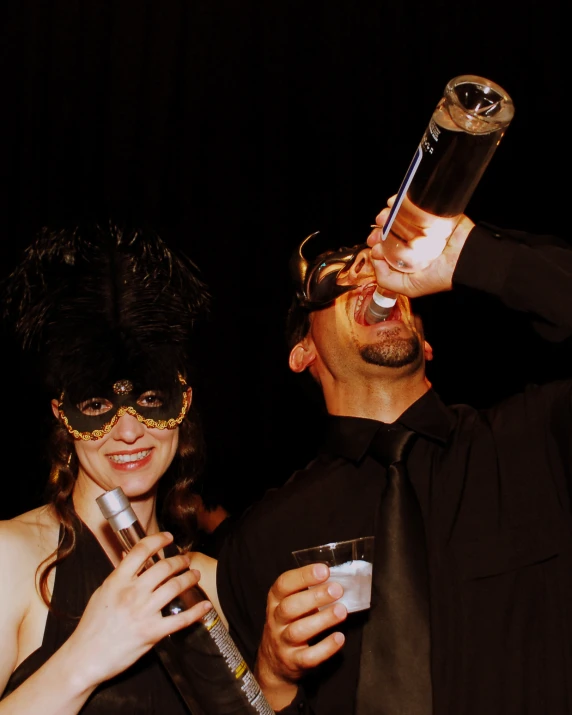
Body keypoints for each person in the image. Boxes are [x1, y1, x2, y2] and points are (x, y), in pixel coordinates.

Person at [215, 196, 572, 715]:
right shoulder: (261, 540)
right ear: (303, 353)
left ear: (426, 344)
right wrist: (273, 678)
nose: (366, 271)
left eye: (375, 265)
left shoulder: (535, 443)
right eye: (337, 274)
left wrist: (472, 256)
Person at [0, 221, 222, 713]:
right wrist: (89, 653)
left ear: (182, 405)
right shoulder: (10, 559)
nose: (128, 432)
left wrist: (277, 673)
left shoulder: (209, 582)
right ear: (64, 417)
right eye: (98, 406)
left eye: (149, 400)